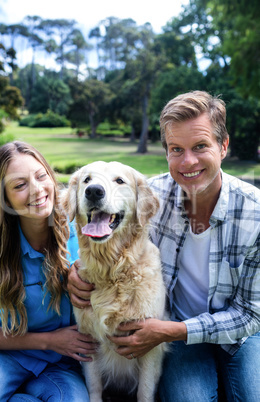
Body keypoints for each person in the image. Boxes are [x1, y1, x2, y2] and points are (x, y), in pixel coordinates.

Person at [67, 91, 260, 401]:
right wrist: (76, 270)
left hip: (236, 335)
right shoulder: (148, 194)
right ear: (167, 151)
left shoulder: (255, 215)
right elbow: (98, 233)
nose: (188, 161)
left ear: (223, 146)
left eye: (200, 147)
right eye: (176, 149)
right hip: (178, 333)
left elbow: (250, 316)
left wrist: (171, 331)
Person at [0, 141, 98, 402]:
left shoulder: (83, 233)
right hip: (8, 356)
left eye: (41, 177)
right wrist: (49, 341)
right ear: (3, 198)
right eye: (19, 185)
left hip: (62, 366)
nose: (37, 190)